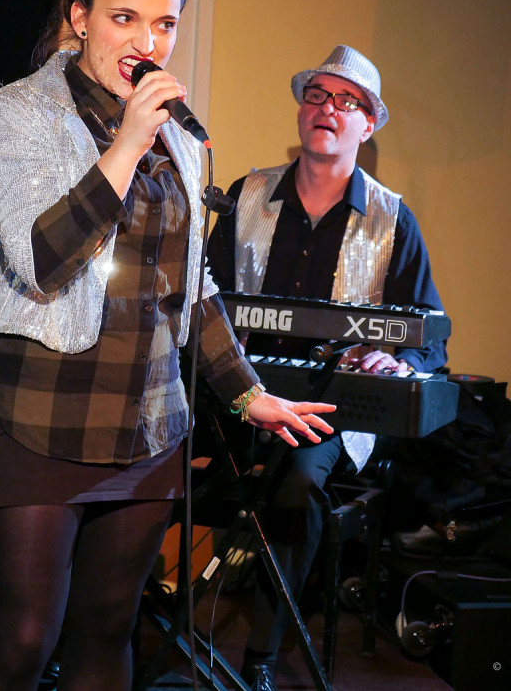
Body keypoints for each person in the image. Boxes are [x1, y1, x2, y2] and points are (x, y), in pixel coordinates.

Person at [0, 0, 335, 691]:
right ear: (80, 17)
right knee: (23, 642)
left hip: (149, 419)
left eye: (164, 24)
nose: (147, 42)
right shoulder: (19, 113)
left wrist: (248, 393)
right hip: (44, 411)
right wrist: (128, 143)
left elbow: (191, 286)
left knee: (107, 632)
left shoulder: (178, 135)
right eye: (125, 18)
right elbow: (40, 259)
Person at [207, 44, 447, 691]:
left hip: (329, 409)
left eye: (347, 101)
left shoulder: (393, 218)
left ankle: (260, 656)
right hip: (236, 393)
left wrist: (395, 356)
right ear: (300, 111)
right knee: (149, 440)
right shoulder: (247, 196)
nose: (328, 108)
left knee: (299, 481)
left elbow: (428, 337)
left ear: (367, 126)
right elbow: (203, 301)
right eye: (317, 95)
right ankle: (104, 633)